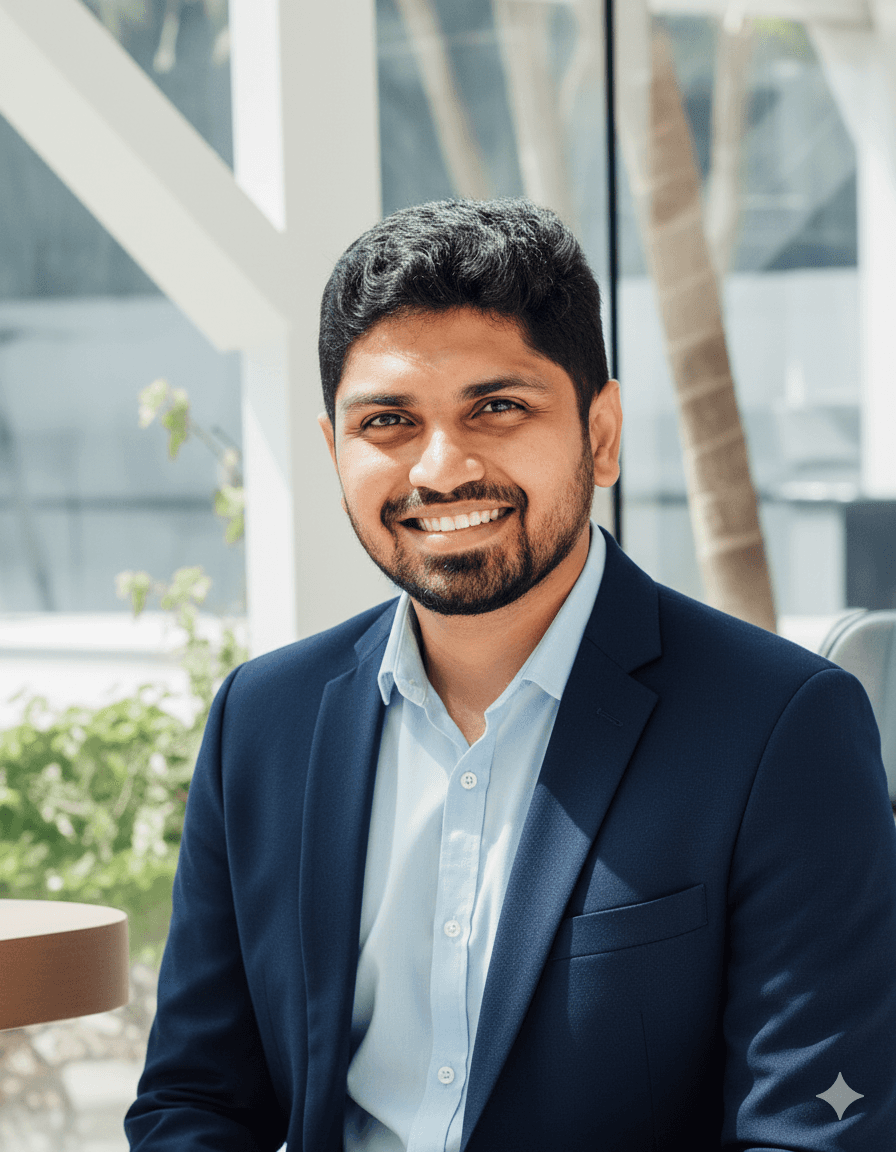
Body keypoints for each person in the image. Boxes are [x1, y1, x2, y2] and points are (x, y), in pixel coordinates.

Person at [125, 199, 896, 1151]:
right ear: (335, 453)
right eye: (389, 421)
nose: (441, 469)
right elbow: (194, 1101)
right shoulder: (264, 721)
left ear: (601, 434)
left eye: (497, 407)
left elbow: (813, 1133)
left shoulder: (783, 728)